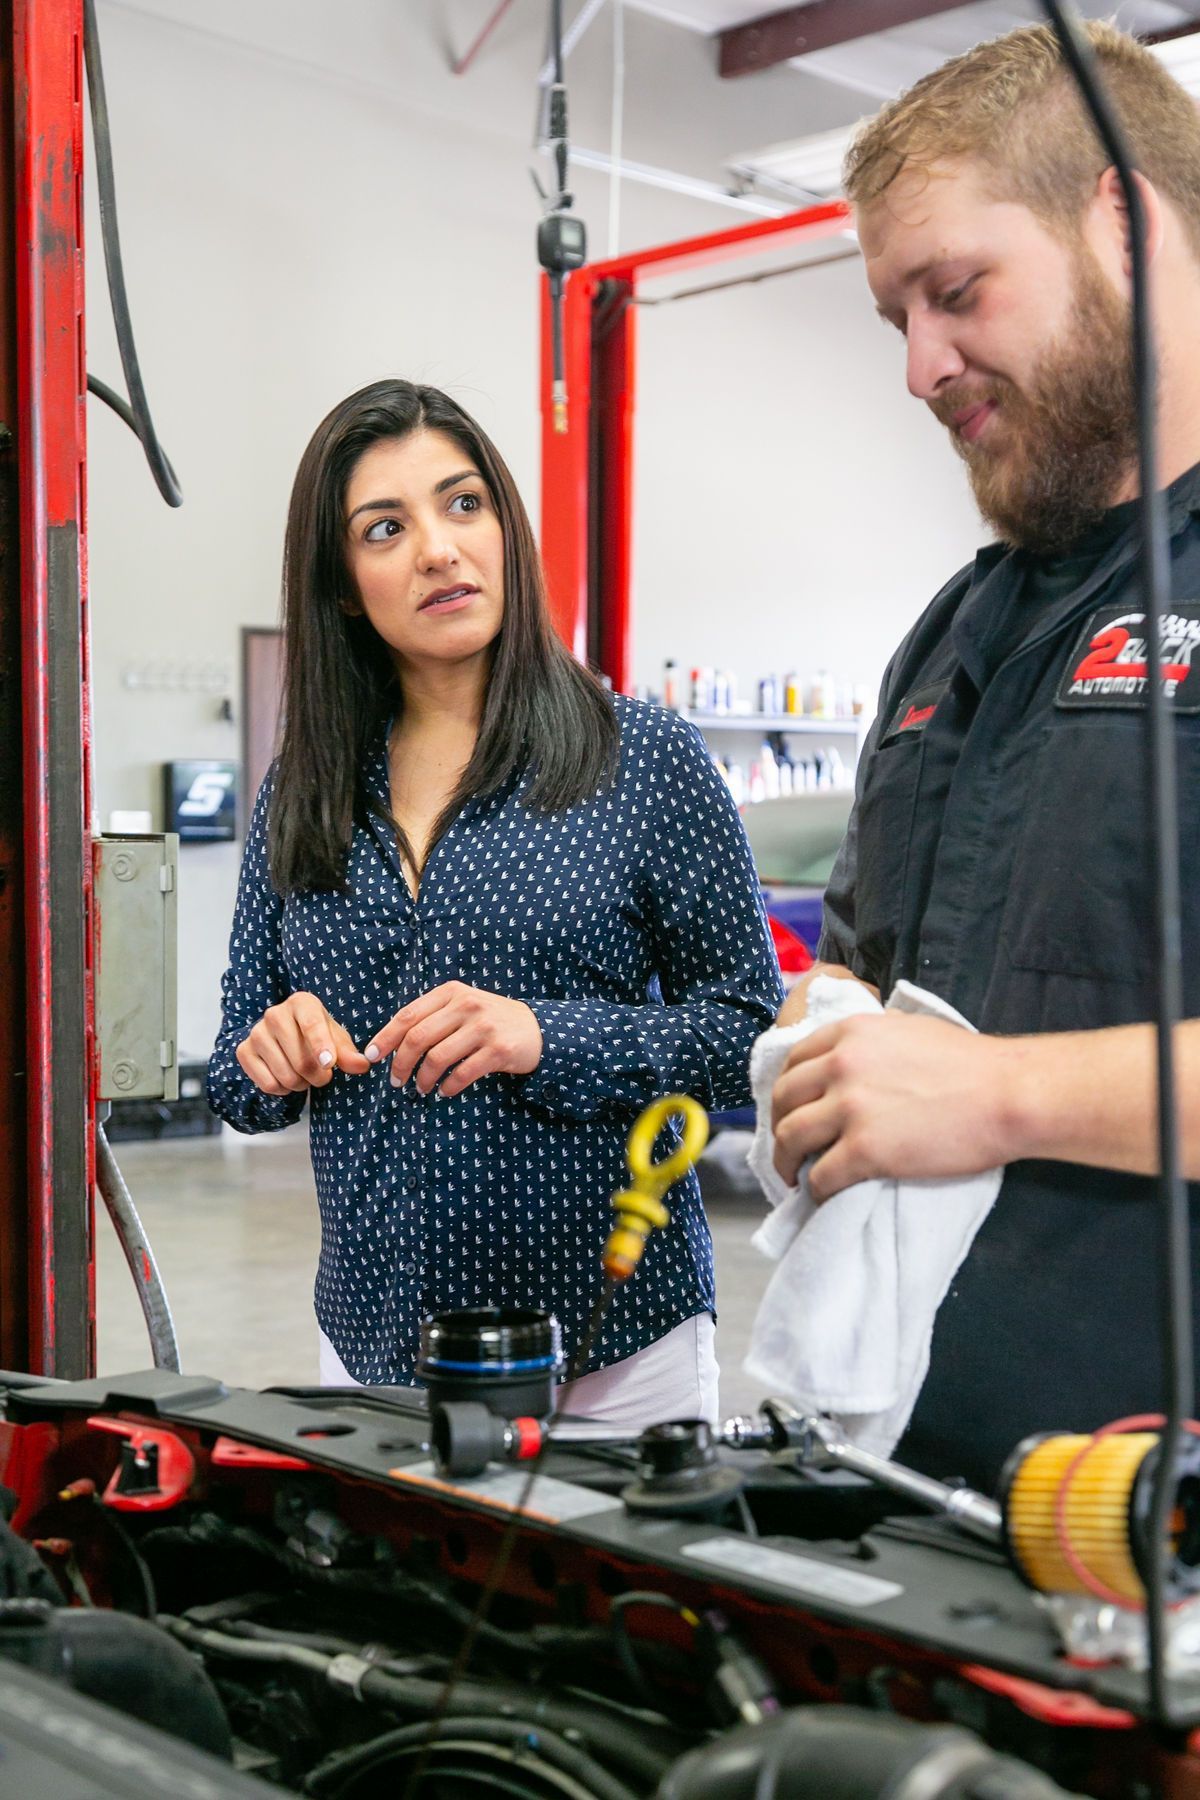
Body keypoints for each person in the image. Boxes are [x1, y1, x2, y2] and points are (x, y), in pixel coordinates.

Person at [769, 21, 1200, 1491]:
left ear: (1124, 227)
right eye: (896, 315)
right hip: (914, 1490)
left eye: (956, 293)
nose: (919, 367)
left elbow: (970, 1082)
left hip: (1158, 1535)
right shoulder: (954, 633)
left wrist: (1001, 1094)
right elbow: (876, 994)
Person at [207, 378, 782, 1424]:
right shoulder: (306, 789)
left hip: (613, 1351)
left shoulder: (642, 759)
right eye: (386, 528)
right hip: (378, 1347)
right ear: (343, 585)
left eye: (462, 504)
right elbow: (238, 1074)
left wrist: (541, 1036)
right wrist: (272, 1050)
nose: (437, 547)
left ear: (506, 530)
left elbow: (745, 1029)